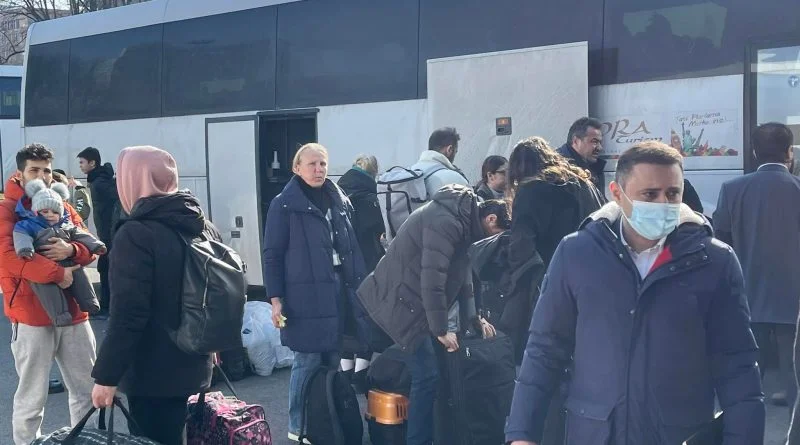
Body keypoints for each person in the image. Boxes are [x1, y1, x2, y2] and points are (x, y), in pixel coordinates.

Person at [506, 141, 764, 445]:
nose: (663, 203)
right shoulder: (577, 254)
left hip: (679, 432)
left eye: (673, 193)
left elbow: (737, 364)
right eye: (650, 194)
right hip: (595, 432)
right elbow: (545, 348)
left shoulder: (714, 261)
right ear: (617, 194)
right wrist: (522, 433)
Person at [90, 146, 219, 445]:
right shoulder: (201, 225)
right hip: (194, 359)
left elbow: (128, 314)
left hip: (152, 371)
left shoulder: (136, 234)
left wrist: (107, 376)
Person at [357, 184, 503, 445]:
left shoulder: (462, 221)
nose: (494, 241)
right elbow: (432, 281)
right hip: (397, 300)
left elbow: (465, 277)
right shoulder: (446, 222)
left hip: (410, 301)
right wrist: (440, 330)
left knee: (430, 372)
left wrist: (475, 317)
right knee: (427, 374)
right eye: (497, 234)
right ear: (490, 219)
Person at [262, 143, 367, 443]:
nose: (319, 169)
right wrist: (276, 299)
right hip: (303, 296)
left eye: (323, 164)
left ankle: (325, 422)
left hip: (337, 289)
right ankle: (297, 428)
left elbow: (352, 249)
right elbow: (272, 255)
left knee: (332, 359)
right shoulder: (283, 205)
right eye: (312, 164)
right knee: (307, 360)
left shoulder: (339, 200)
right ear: (296, 168)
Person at [0, 143, 99, 445]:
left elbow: (88, 243)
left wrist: (72, 250)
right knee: (32, 399)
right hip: (31, 315)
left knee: (87, 391)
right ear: (20, 174)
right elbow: (8, 257)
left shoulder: (61, 204)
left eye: (46, 170)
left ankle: (87, 440)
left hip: (74, 312)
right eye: (34, 170)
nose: (42, 176)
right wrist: (59, 273)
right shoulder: (6, 209)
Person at [714, 122, 800, 410]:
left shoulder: (732, 189)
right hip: (794, 294)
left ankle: (745, 409)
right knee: (793, 360)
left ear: (754, 152)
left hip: (748, 289)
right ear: (789, 152)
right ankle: (793, 406)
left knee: (749, 359)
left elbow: (721, 240)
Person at [13, 178, 105, 324]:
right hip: (44, 263)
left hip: (69, 261)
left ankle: (89, 302)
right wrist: (25, 249)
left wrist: (96, 245)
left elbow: (82, 235)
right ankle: (60, 316)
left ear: (61, 213)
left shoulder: (67, 224)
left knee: (80, 275)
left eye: (55, 212)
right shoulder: (28, 225)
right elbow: (21, 236)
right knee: (48, 291)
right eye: (45, 211)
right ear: (36, 212)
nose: (50, 215)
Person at [337, 154, 385, 391]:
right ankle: (360, 374)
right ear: (373, 173)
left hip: (341, 265)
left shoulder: (336, 194)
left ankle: (345, 374)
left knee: (347, 316)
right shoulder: (370, 199)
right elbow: (379, 234)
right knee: (367, 316)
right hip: (367, 265)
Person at [77, 146, 120, 316]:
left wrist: (110, 233)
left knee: (105, 268)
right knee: (106, 268)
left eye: (82, 162)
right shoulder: (99, 180)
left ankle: (107, 306)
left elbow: (114, 204)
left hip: (109, 234)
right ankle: (107, 304)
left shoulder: (99, 183)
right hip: (108, 233)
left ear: (92, 163)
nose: (80, 166)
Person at [409, 127, 470, 197]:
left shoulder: (411, 171)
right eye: (455, 152)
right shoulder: (455, 179)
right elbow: (472, 202)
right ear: (449, 149)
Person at [557, 117, 607, 196]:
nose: (600, 148)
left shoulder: (596, 168)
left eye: (600, 142)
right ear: (576, 141)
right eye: (594, 141)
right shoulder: (557, 168)